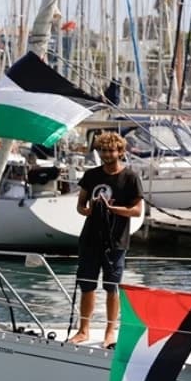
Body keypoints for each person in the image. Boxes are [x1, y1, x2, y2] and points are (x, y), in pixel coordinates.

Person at [70, 131, 143, 347]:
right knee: (87, 286)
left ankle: (110, 332)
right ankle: (83, 330)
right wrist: (89, 210)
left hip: (116, 242)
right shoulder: (91, 175)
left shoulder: (130, 177)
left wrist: (113, 209)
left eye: (111, 150)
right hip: (90, 239)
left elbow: (137, 211)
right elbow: (80, 206)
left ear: (120, 151)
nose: (106, 154)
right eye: (103, 150)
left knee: (112, 287)